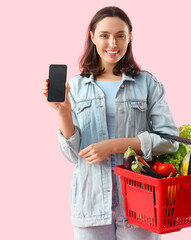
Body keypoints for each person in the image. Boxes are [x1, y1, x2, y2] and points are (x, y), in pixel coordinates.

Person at [42, 6, 178, 240]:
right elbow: (73, 155)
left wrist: (115, 145)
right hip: (91, 203)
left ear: (130, 37)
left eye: (120, 35)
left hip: (140, 203)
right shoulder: (75, 86)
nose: (112, 43)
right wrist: (63, 112)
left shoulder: (147, 83)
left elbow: (169, 142)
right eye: (104, 35)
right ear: (92, 37)